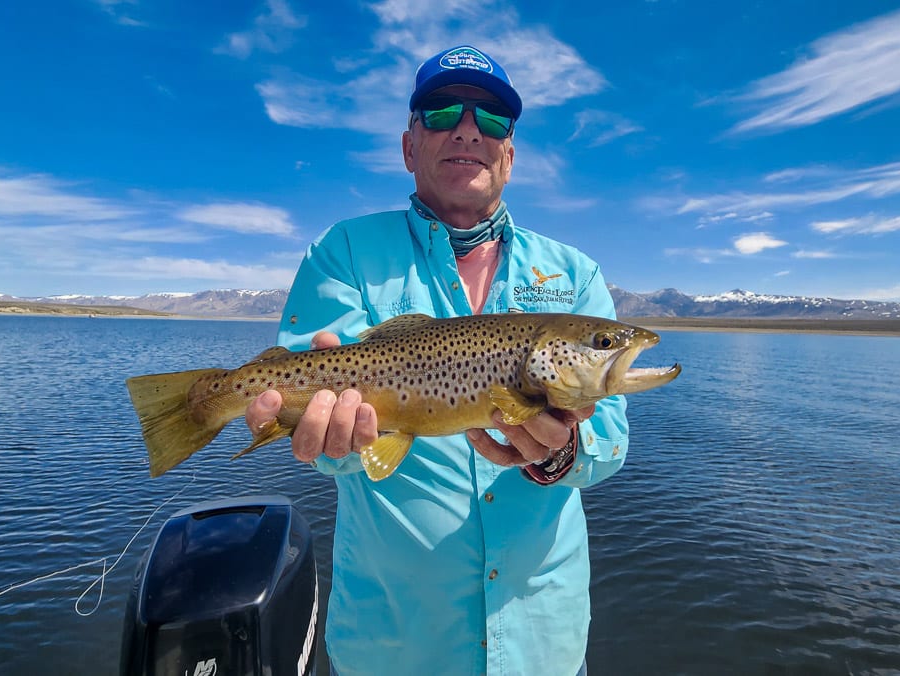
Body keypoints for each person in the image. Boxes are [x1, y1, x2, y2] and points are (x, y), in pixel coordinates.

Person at [245, 44, 629, 676]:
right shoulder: (342, 251)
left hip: (543, 646)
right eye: (444, 110)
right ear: (408, 147)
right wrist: (330, 443)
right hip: (392, 645)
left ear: (508, 155)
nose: (469, 129)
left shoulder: (575, 275)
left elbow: (608, 432)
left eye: (493, 120)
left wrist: (562, 452)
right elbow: (321, 442)